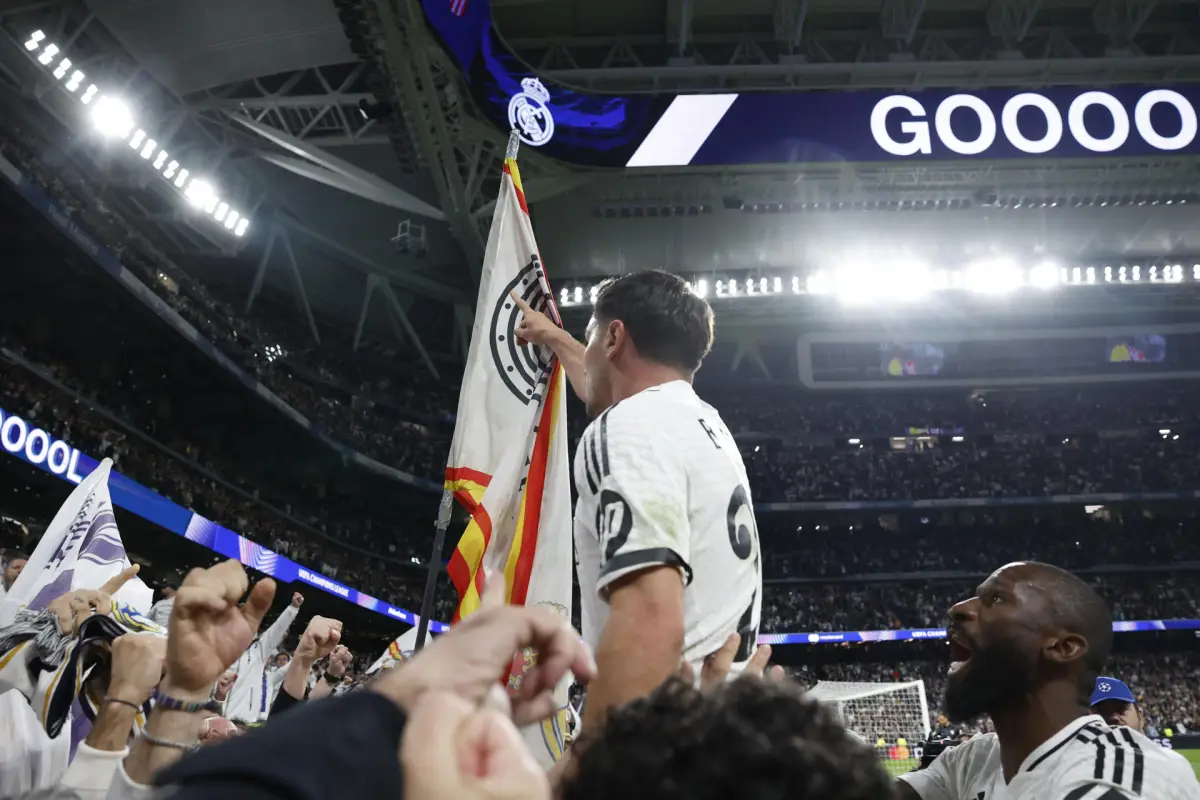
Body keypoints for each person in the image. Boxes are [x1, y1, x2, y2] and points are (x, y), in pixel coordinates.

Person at [514, 270, 762, 733]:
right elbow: (604, 383)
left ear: (613, 337)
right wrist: (555, 338)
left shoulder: (627, 428)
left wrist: (585, 765)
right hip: (715, 729)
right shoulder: (703, 424)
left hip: (660, 743)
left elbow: (649, 620)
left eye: (590, 338)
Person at [898, 562, 1200, 800]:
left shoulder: (1117, 777)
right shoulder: (975, 759)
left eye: (996, 599)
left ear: (1062, 647)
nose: (959, 608)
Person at [221, 591, 304, 723]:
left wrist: (292, 609)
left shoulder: (258, 650)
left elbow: (276, 630)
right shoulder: (218, 652)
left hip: (251, 725)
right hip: (223, 721)